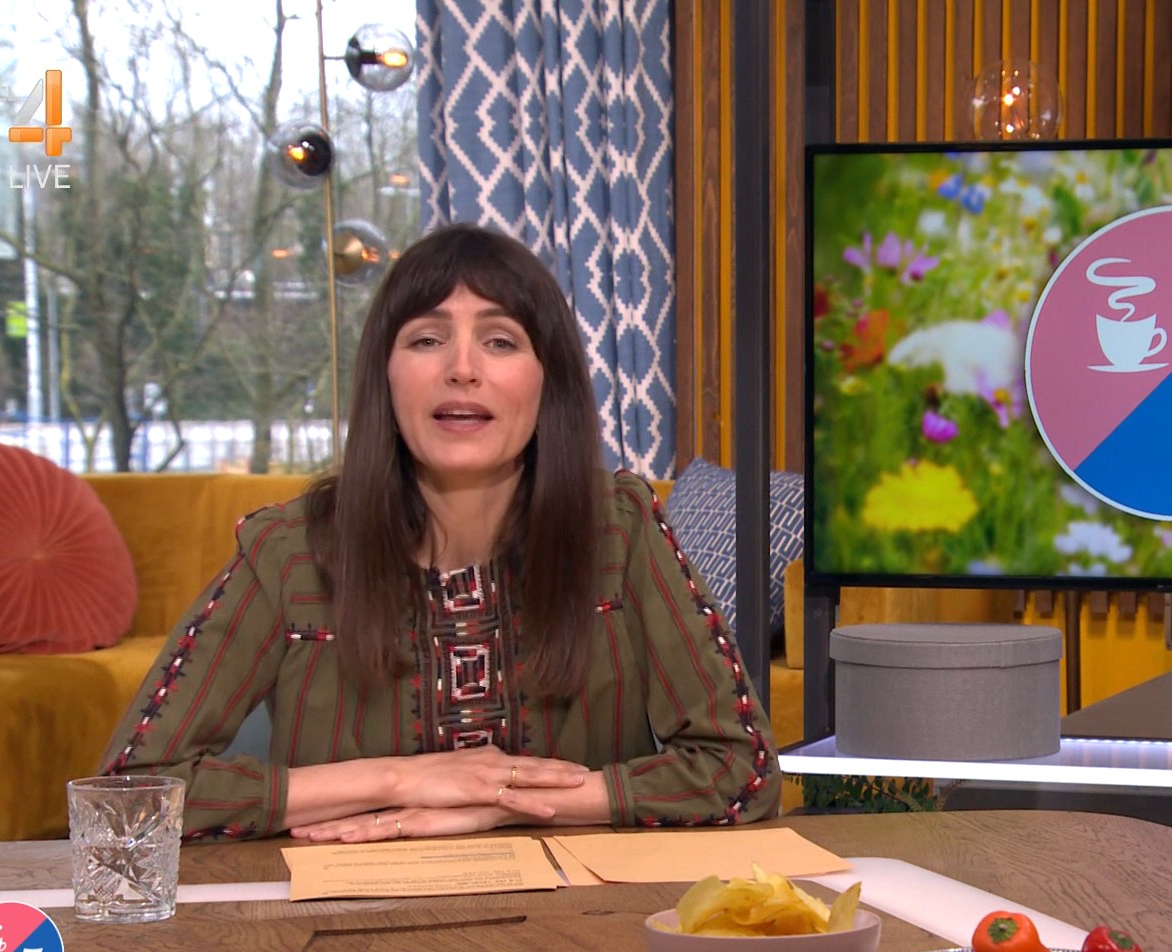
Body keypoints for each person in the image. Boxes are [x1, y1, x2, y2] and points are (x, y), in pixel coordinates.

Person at [98, 223, 779, 842]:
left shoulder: (621, 530)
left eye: (500, 341)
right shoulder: (290, 551)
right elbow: (127, 797)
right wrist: (402, 780)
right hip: (346, 919)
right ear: (386, 376)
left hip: (583, 915)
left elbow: (742, 771)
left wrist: (507, 800)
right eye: (427, 340)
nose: (462, 368)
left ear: (550, 382)